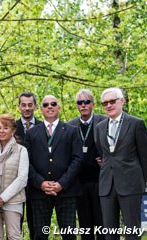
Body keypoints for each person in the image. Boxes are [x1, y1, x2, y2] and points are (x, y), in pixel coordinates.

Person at [24, 95, 82, 240]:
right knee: (40, 235)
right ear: (40, 109)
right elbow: (26, 162)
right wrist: (40, 183)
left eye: (53, 103)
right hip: (39, 192)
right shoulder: (31, 133)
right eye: (46, 104)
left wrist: (62, 183)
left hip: (66, 191)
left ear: (59, 108)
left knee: (69, 235)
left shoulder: (72, 131)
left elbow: (77, 159)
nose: (49, 106)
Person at [95, 87, 147, 240]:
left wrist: (145, 182)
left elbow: (144, 156)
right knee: (109, 233)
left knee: (132, 231)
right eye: (105, 103)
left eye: (112, 101)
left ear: (122, 101)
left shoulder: (136, 123)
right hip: (106, 186)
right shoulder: (99, 127)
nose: (108, 106)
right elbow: (103, 154)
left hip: (130, 185)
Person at [68, 89, 106, 240]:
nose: (83, 105)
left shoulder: (104, 121)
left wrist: (106, 160)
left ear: (93, 104)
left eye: (86, 102)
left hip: (100, 181)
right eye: (80, 102)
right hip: (79, 182)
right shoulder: (70, 126)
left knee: (102, 223)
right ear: (77, 106)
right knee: (85, 225)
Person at [0, 114, 29, 240]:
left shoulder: (21, 150)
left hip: (13, 200)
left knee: (14, 236)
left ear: (13, 130)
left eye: (5, 128)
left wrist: (3, 197)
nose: (1, 131)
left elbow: (22, 179)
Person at [15, 91, 42, 240]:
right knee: (15, 226)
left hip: (37, 184)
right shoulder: (12, 127)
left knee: (37, 227)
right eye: (23, 105)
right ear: (19, 107)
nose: (27, 108)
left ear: (35, 106)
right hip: (16, 183)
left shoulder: (43, 126)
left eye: (30, 105)